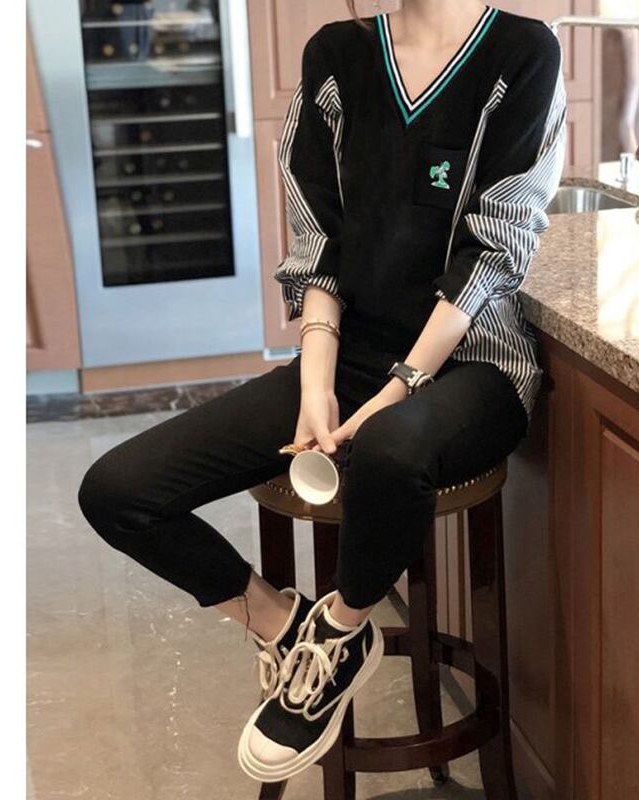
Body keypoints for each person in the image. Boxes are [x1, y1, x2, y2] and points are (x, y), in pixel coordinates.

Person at [77, 0, 566, 784]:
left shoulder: (522, 51)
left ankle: (341, 629)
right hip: (347, 354)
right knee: (118, 492)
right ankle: (287, 627)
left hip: (475, 362)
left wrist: (402, 385)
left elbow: (496, 246)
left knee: (387, 448)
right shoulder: (337, 55)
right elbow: (319, 243)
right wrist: (314, 388)